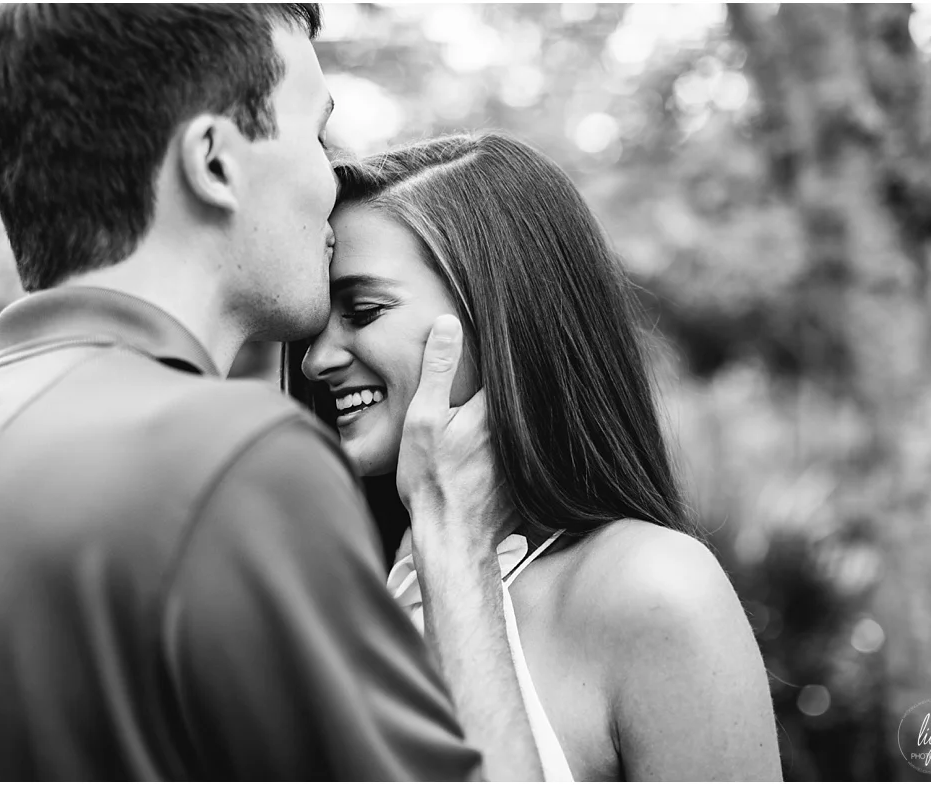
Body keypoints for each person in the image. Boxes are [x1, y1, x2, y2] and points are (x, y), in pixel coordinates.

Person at [0, 6, 543, 781]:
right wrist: (452, 529)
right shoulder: (230, 461)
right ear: (214, 162)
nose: (330, 178)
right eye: (313, 134)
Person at [291, 132, 784, 781]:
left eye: (362, 309)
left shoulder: (655, 589)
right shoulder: (376, 582)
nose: (314, 359)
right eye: (317, 322)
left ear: (498, 317)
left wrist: (456, 544)